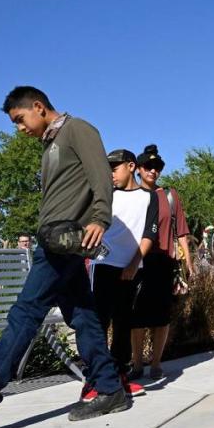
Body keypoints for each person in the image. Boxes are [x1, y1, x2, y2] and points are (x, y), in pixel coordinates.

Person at [0, 86, 128, 428]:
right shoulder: (51, 144)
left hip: (63, 243)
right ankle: (110, 389)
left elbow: (100, 178)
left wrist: (100, 220)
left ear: (38, 106)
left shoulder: (78, 129)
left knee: (24, 314)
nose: (20, 128)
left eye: (20, 120)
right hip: (54, 241)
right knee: (82, 316)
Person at [84, 149, 158, 400]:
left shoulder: (150, 197)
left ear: (130, 166)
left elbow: (149, 234)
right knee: (99, 323)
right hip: (103, 265)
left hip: (130, 269)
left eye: (114, 169)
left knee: (124, 323)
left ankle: (119, 376)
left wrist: (134, 263)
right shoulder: (107, 197)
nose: (111, 174)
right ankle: (94, 379)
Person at [131, 144, 194, 381]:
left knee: (161, 316)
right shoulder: (131, 196)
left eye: (157, 167)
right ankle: (137, 363)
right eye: (148, 166)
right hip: (137, 261)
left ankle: (156, 362)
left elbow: (181, 232)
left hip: (164, 261)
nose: (153, 171)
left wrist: (188, 261)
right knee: (136, 316)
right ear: (137, 169)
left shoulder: (168, 195)